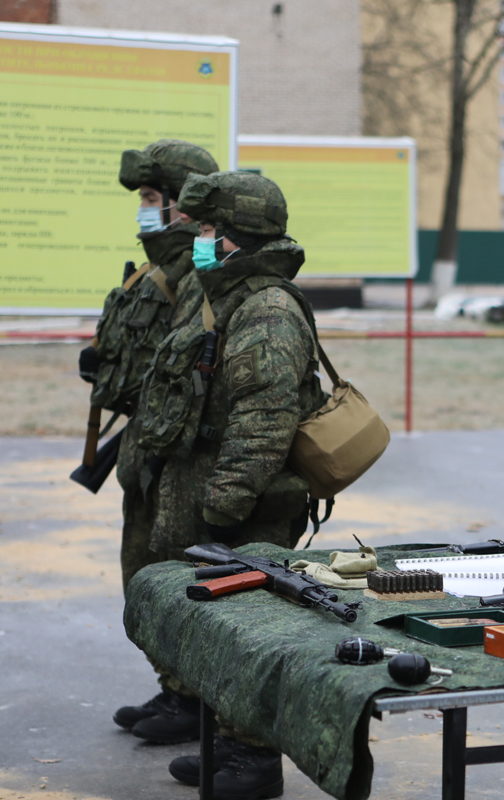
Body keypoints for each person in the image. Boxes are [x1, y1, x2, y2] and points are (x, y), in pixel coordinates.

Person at [133, 170, 327, 799]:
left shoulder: (266, 309)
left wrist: (225, 506)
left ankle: (252, 761)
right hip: (211, 485)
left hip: (244, 503)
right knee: (217, 626)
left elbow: (263, 420)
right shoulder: (232, 295)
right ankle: (226, 744)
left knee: (246, 629)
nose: (201, 239)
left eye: (211, 230)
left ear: (238, 237)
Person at [77, 139, 218, 742]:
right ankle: (174, 689)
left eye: (153, 198)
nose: (145, 209)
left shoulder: (198, 270)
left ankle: (194, 701)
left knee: (170, 575)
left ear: (183, 207)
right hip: (145, 447)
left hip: (178, 455)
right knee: (141, 573)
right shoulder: (158, 266)